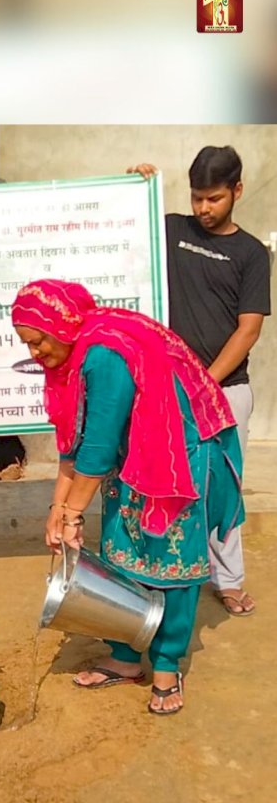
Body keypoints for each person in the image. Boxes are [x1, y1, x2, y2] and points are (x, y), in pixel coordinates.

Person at [11, 279, 244, 715]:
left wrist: (73, 514)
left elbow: (97, 448)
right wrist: (56, 509)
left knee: (170, 561)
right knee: (121, 552)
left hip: (177, 457)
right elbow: (73, 444)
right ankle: (124, 655)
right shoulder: (71, 361)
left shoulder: (104, 354)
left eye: (38, 340)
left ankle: (166, 663)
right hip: (134, 456)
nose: (35, 353)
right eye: (27, 344)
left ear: (60, 326)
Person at [127, 147, 271, 617]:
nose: (203, 209)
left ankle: (227, 580)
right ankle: (165, 571)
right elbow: (126, 223)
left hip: (226, 392)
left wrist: (203, 381)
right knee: (167, 482)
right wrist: (136, 183)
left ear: (237, 192)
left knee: (222, 485)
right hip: (167, 389)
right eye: (197, 198)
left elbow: (248, 329)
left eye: (213, 199)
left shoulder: (251, 254)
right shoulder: (171, 229)